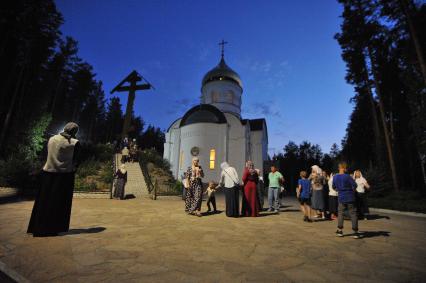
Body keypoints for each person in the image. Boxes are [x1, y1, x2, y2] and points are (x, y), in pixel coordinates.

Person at [27, 122, 80, 237]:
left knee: (43, 202)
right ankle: (52, 228)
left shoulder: (52, 139)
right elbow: (77, 160)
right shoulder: (74, 143)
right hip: (64, 176)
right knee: (57, 203)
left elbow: (46, 154)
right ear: (74, 132)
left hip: (47, 173)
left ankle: (37, 226)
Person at [333, 162, 360, 239]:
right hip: (350, 196)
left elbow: (333, 187)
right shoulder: (348, 176)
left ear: (339, 168)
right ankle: (355, 232)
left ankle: (340, 230)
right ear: (344, 168)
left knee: (340, 213)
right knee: (353, 213)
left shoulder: (335, 177)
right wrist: (352, 190)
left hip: (341, 197)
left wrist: (339, 190)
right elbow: (355, 185)